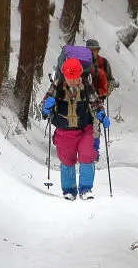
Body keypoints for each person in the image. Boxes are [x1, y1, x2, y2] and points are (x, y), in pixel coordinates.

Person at [40, 57, 110, 200]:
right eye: (69, 77)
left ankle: (86, 189)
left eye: (75, 77)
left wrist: (101, 114)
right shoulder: (57, 86)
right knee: (67, 160)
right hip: (64, 130)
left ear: (80, 74)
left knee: (87, 154)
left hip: (85, 127)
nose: (73, 81)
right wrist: (46, 107)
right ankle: (69, 190)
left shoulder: (86, 85)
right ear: (64, 74)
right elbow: (43, 109)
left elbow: (96, 103)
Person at [85, 39, 118, 160]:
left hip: (98, 97)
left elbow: (110, 79)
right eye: (90, 49)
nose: (92, 51)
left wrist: (106, 91)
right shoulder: (82, 62)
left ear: (97, 50)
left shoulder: (104, 62)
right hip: (82, 97)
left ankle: (94, 152)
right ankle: (84, 149)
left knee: (95, 124)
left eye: (94, 49)